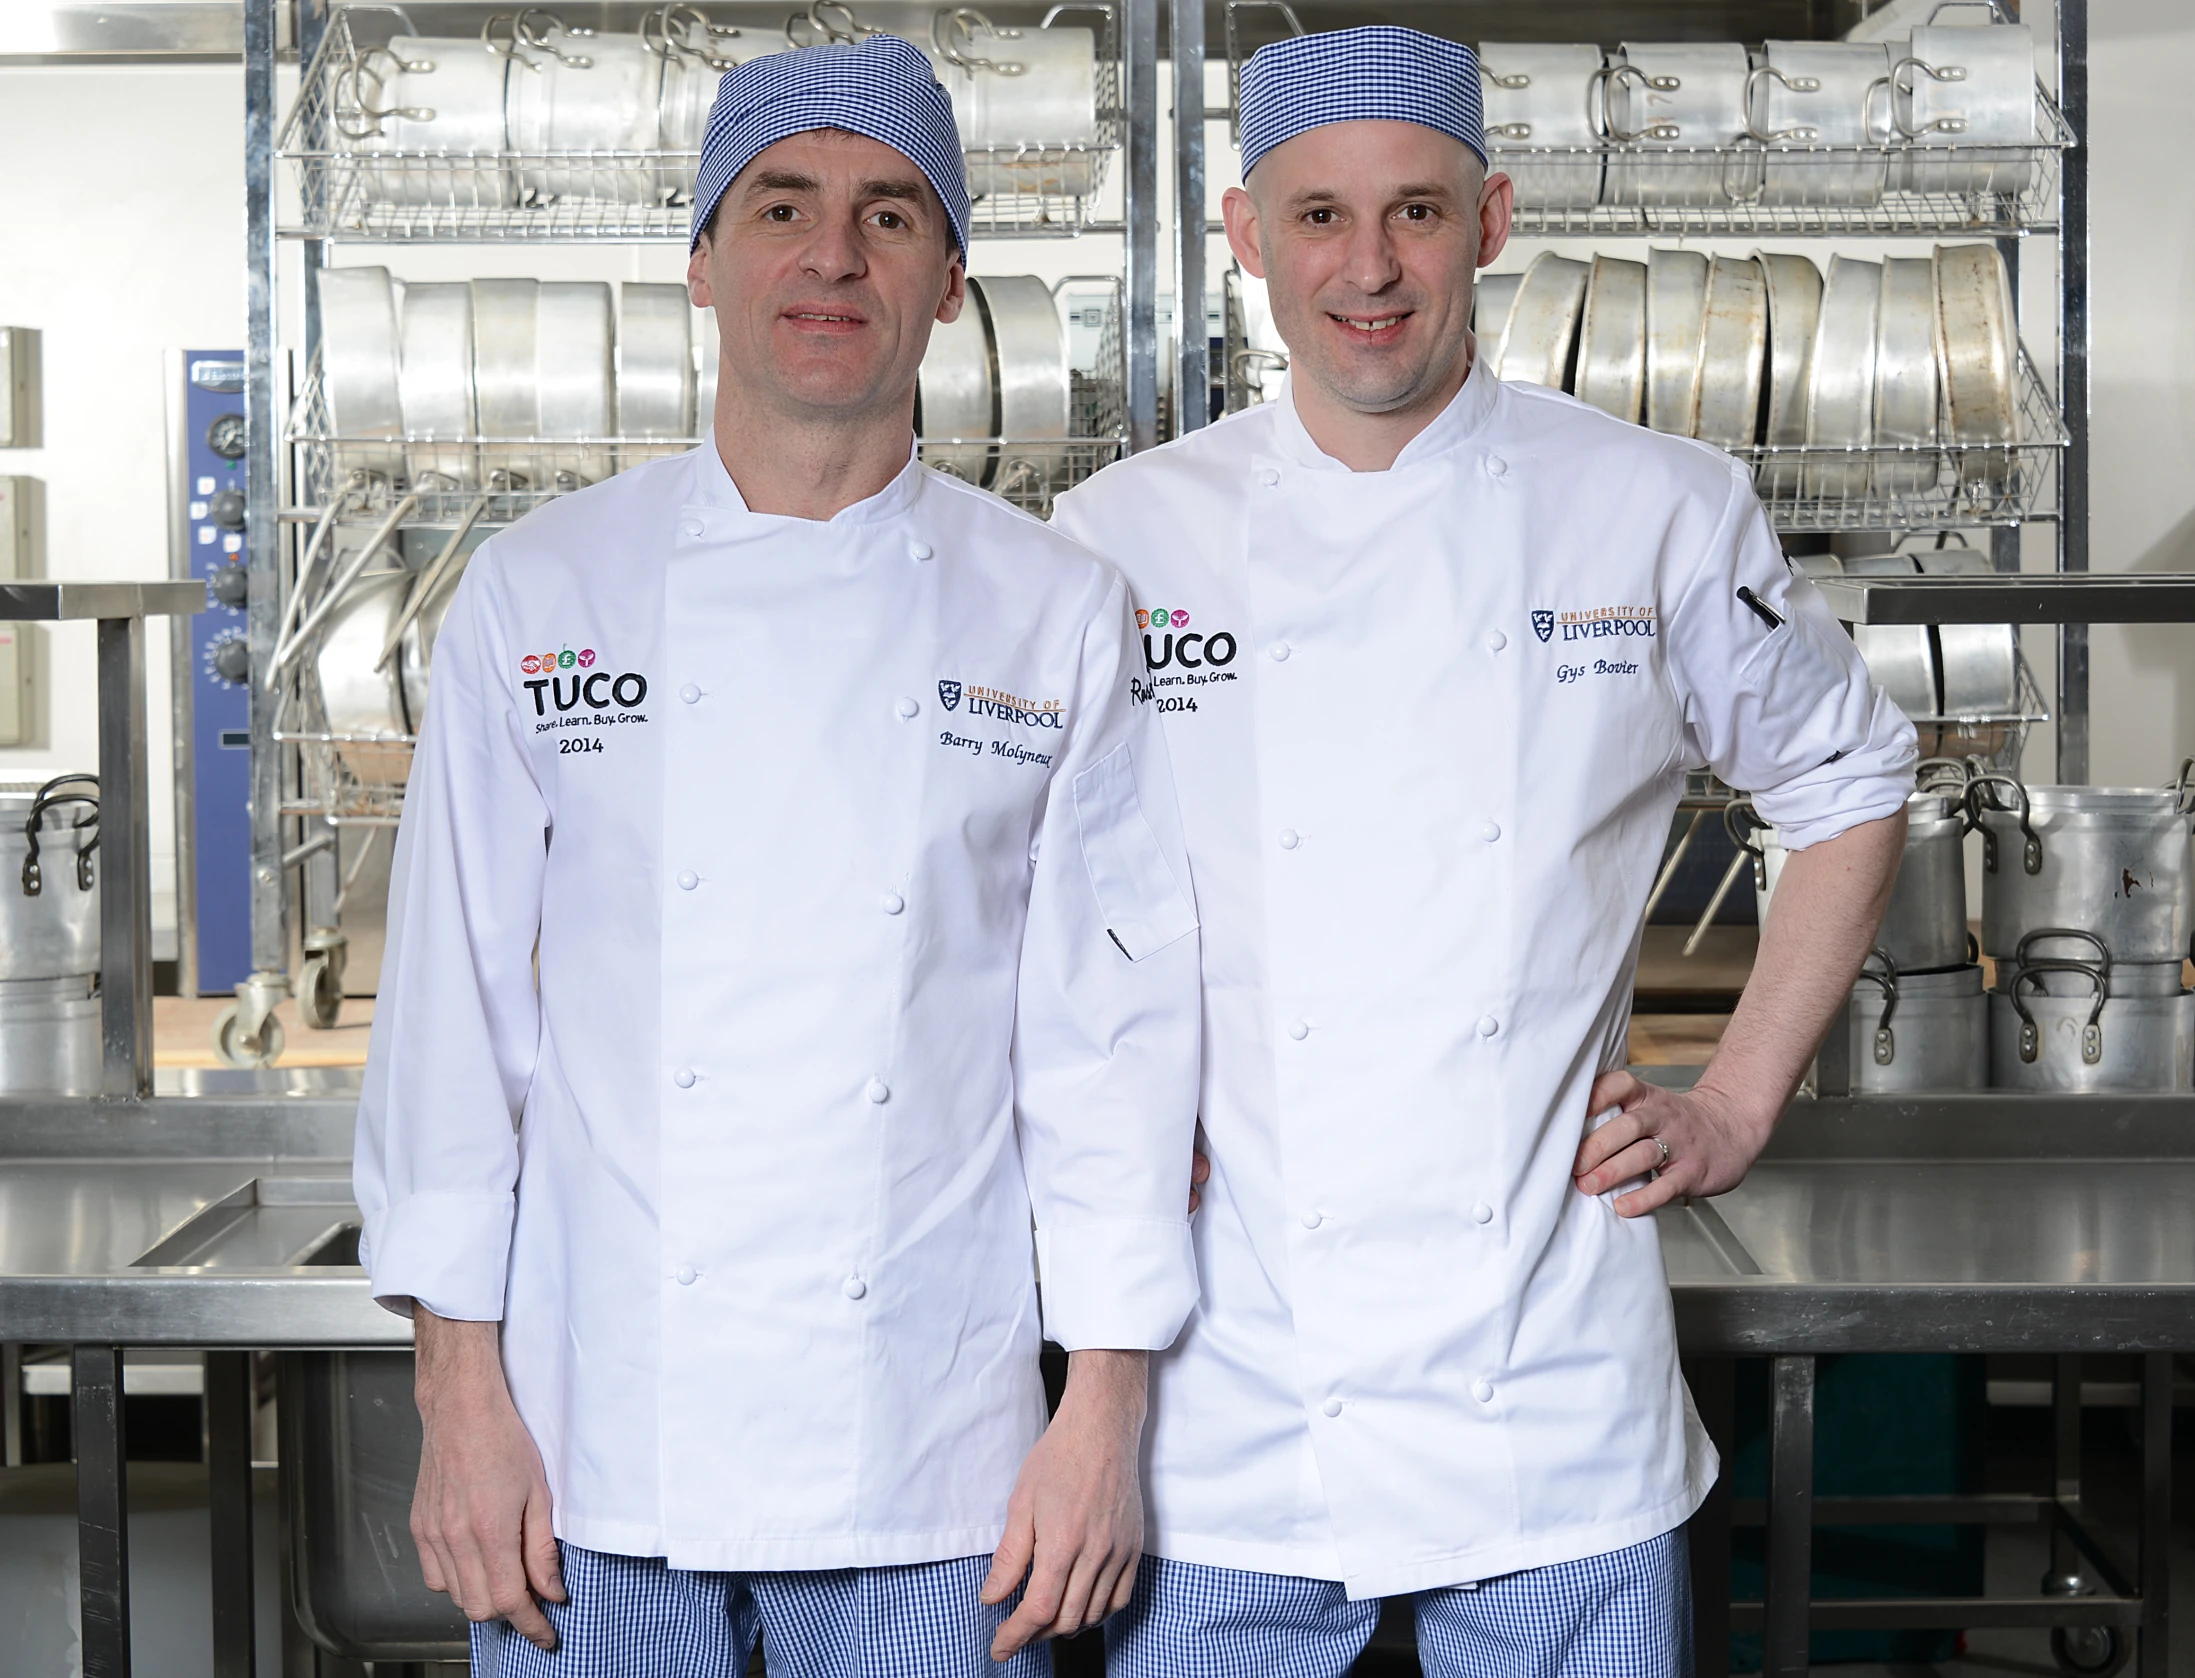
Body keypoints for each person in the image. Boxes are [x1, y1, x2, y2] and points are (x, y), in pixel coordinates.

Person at [1049, 26, 1915, 1676]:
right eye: (1315, 217)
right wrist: (1096, 1129)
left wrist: (1733, 1098)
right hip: (1227, 1405)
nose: (1365, 269)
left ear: (1491, 218)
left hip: (1549, 1406)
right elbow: (1029, 900)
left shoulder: (1653, 508)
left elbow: (1850, 774)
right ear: (1244, 236)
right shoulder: (1113, 541)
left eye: (1416, 214)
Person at [353, 35, 1205, 1677]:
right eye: (782, 208)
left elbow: (1110, 1058)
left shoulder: (1054, 612)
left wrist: (1100, 1414)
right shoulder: (542, 598)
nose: (832, 255)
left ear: (949, 280)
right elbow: (452, 1032)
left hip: (937, 1459)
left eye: (891, 217)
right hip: (590, 1449)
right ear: (702, 262)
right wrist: (458, 1402)